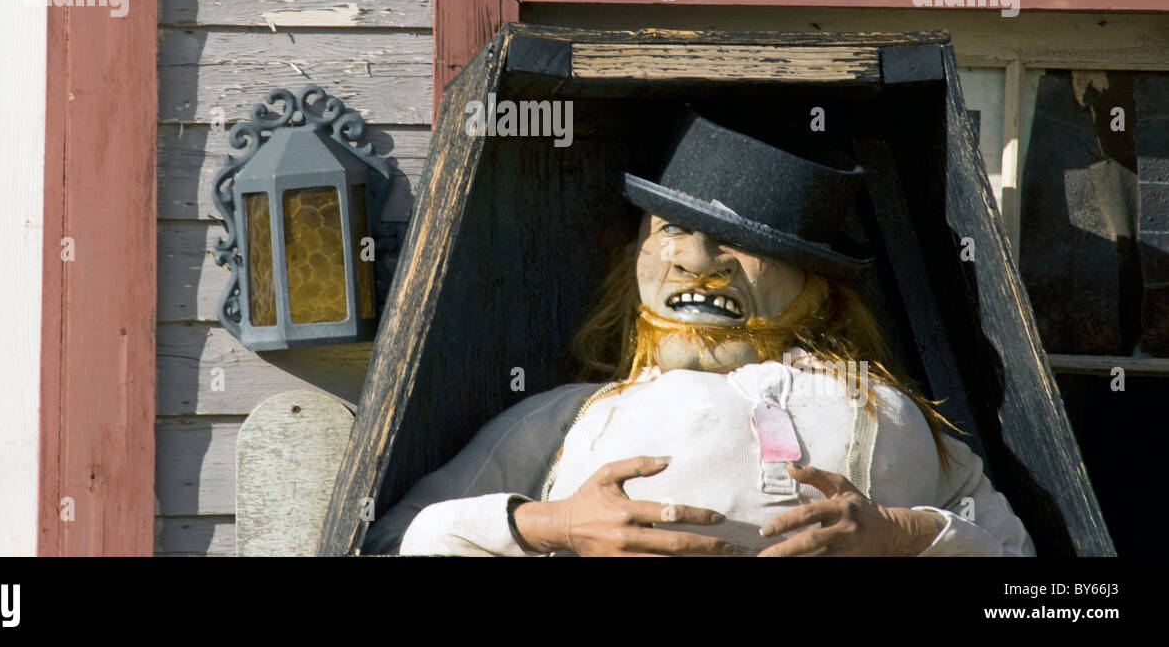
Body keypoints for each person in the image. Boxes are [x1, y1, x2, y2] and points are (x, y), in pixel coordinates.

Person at [362, 110, 1035, 557]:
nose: (695, 261)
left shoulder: (886, 410)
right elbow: (390, 543)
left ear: (816, 280)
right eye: (673, 230)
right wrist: (551, 523)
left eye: (739, 243)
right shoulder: (568, 420)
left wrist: (907, 534)